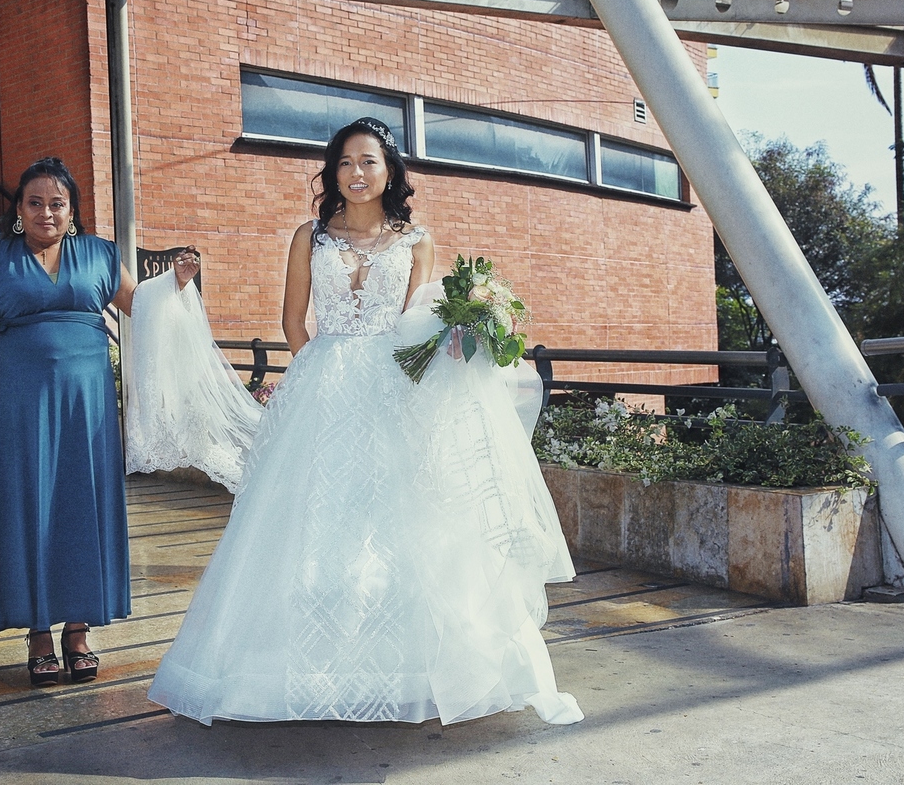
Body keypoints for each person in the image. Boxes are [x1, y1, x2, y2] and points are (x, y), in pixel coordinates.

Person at [134, 118, 584, 726]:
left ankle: (403, 670)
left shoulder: (417, 241)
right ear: (332, 173)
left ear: (390, 170)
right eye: (345, 163)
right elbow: (295, 320)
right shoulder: (310, 236)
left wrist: (453, 338)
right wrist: (319, 379)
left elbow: (417, 321)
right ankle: (294, 669)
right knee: (308, 524)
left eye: (369, 162)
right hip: (321, 388)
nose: (357, 174)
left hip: (394, 389)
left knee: (398, 525)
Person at [0, 157, 200, 686]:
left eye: (57, 203)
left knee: (82, 503)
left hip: (90, 404)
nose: (46, 213)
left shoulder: (101, 255)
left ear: (73, 210)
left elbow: (142, 310)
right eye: (34, 203)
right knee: (29, 505)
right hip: (21, 401)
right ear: (18, 209)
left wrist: (175, 285)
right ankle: (37, 633)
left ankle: (77, 630)